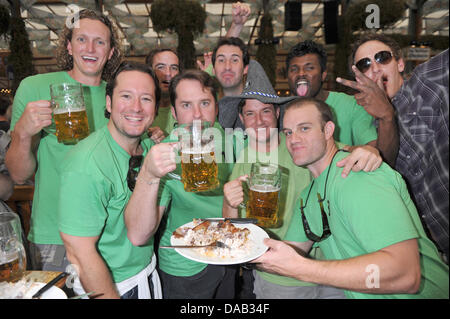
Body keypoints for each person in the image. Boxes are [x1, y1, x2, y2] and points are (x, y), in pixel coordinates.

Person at [252, 97, 449, 299]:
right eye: (288, 132)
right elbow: (282, 255)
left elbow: (406, 275)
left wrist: (304, 268)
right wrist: (233, 244)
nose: (293, 139)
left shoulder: (358, 173)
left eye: (304, 128)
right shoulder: (308, 196)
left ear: (328, 130)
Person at [223, 61, 382, 299]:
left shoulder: (298, 141)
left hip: (330, 266)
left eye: (266, 111)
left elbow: (345, 150)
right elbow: (231, 224)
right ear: (241, 118)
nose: (259, 120)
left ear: (277, 113)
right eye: (250, 113)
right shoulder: (245, 155)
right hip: (281, 276)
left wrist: (369, 152)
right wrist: (230, 202)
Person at [5, 9, 122, 272]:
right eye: (82, 39)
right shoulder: (35, 87)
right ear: (69, 45)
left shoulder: (120, 95)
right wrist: (23, 133)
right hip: (55, 235)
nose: (90, 48)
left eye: (100, 41)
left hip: (111, 234)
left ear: (111, 52)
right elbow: (18, 174)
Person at [125, 69, 238, 299]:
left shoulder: (232, 142)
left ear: (216, 107)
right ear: (174, 113)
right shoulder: (164, 155)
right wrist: (149, 174)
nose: (197, 115)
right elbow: (140, 233)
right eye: (187, 105)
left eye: (205, 103)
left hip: (227, 256)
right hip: (185, 266)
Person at [337, 33, 449, 262]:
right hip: (434, 249)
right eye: (364, 65)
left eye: (382, 58)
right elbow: (386, 166)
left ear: (399, 63)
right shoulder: (372, 127)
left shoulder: (428, 80)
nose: (375, 68)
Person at [58, 61, 163, 299]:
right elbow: (79, 254)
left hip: (146, 274)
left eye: (146, 99)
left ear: (156, 108)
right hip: (111, 287)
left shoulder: (148, 149)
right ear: (108, 103)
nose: (136, 107)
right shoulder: (85, 163)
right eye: (126, 96)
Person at [285, 40, 397, 163]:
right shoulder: (282, 112)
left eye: (309, 68)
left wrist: (387, 116)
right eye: (294, 69)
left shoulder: (351, 105)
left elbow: (378, 156)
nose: (301, 74)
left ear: (323, 74)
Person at [145, 48, 180, 137]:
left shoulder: (189, 109)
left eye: (174, 68)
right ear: (149, 72)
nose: (168, 73)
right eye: (160, 67)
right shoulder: (138, 111)